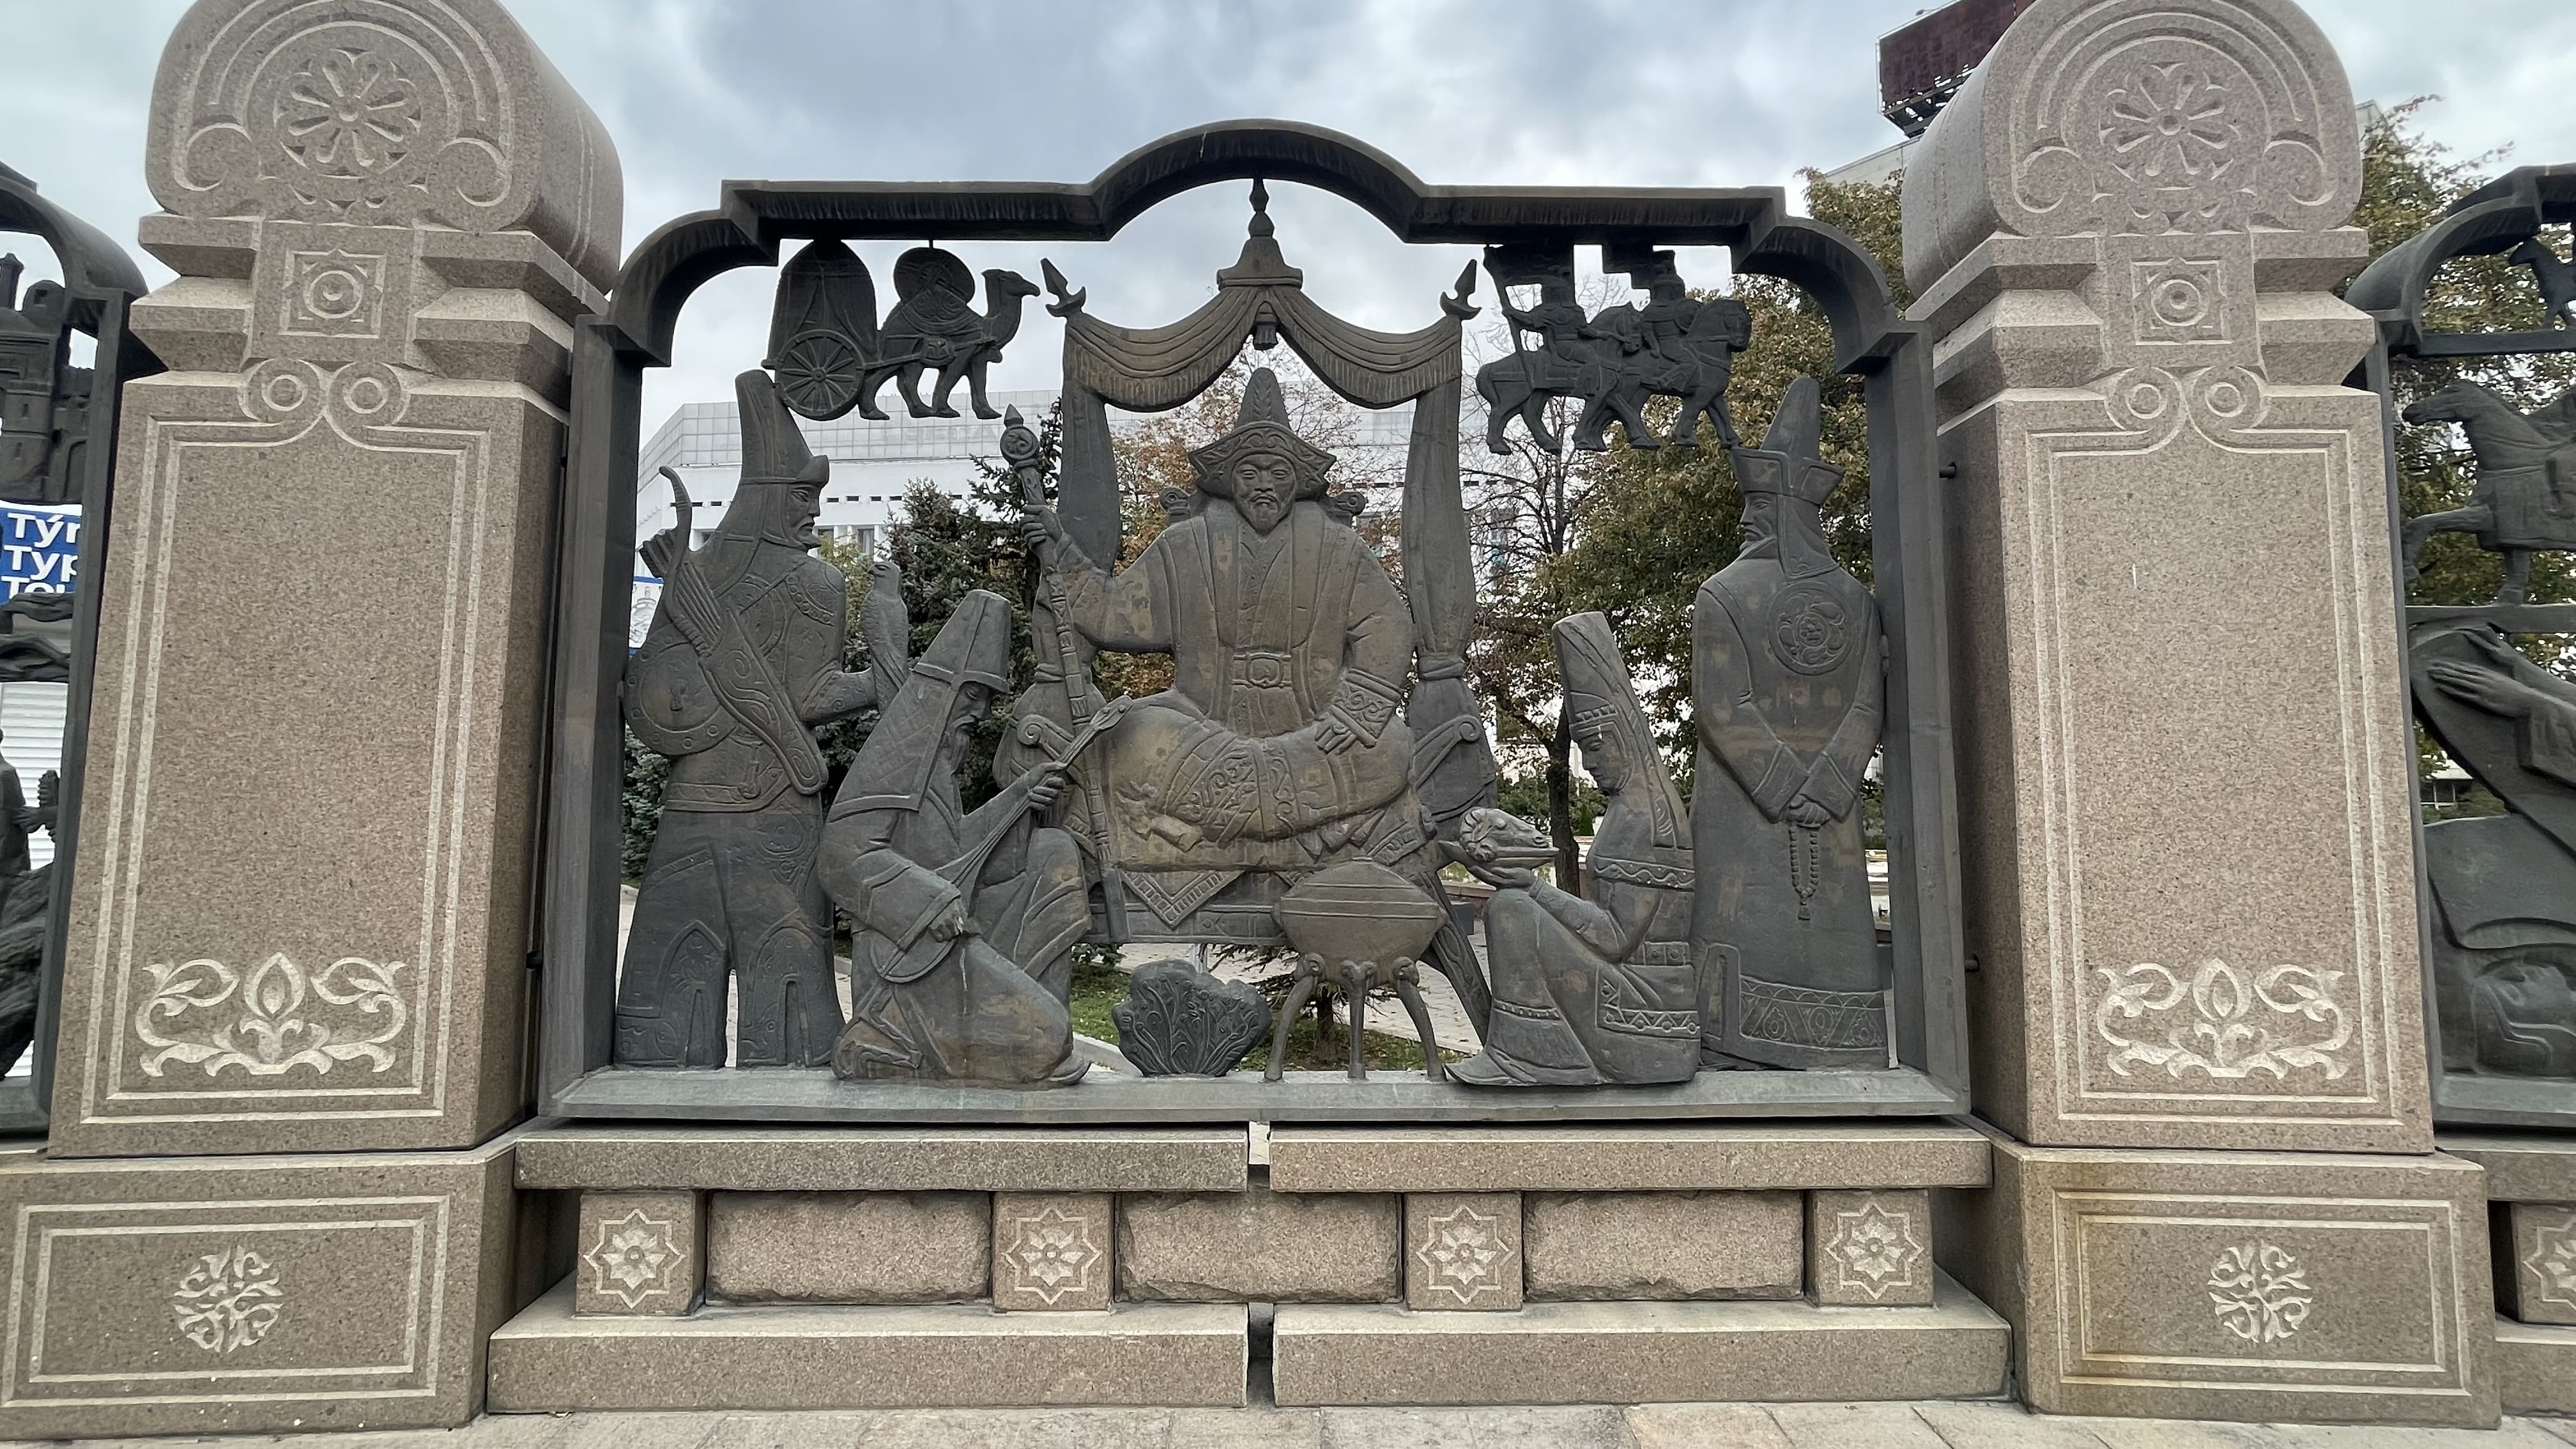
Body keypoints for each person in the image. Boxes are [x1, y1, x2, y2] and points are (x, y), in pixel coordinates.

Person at [614, 371, 886, 1068]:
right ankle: (783, 1068)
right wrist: (884, 681)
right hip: (773, 806)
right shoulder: (814, 584)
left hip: (702, 808)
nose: (813, 511)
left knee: (685, 952)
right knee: (778, 951)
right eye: (802, 497)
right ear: (766, 498)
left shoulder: (694, 574)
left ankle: (661, 1067)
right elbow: (811, 695)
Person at [1691, 376, 1887, 1069]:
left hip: (1752, 806)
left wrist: (1794, 789)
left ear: (1787, 514)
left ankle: (1748, 1047)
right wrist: (1823, 789)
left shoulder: (1721, 595)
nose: (1746, 520)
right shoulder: (1857, 599)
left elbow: (1725, 708)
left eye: (1758, 507)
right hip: (1815, 808)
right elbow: (1863, 709)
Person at [822, 590, 1088, 1086]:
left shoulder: (938, 766)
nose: (980, 712)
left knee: (1054, 851)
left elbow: (953, 851)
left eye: (987, 700)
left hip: (949, 934)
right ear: (946, 691)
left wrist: (1020, 796)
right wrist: (927, 903)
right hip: (906, 954)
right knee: (1046, 1041)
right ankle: (885, 1037)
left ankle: (1039, 1009)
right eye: (973, 696)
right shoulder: (897, 753)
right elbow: (843, 856)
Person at [1451, 613, 1698, 1087]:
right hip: (1652, 1013)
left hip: (1647, 1017)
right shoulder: (1638, 810)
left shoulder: (1642, 821)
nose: (1589, 761)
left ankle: (1537, 1057)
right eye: (1583, 747)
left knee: (1510, 910)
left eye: (1597, 747)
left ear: (1624, 740)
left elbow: (1614, 939)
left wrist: (1532, 888)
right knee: (1515, 904)